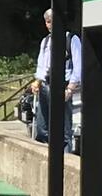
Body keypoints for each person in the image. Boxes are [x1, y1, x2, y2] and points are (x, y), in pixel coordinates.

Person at [31, 8, 82, 145]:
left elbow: (78, 66)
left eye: (51, 22)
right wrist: (37, 81)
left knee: (64, 130)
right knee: (42, 129)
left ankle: (65, 158)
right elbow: (41, 65)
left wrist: (70, 88)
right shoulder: (45, 41)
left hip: (63, 86)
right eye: (47, 22)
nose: (49, 25)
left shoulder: (71, 39)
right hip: (45, 86)